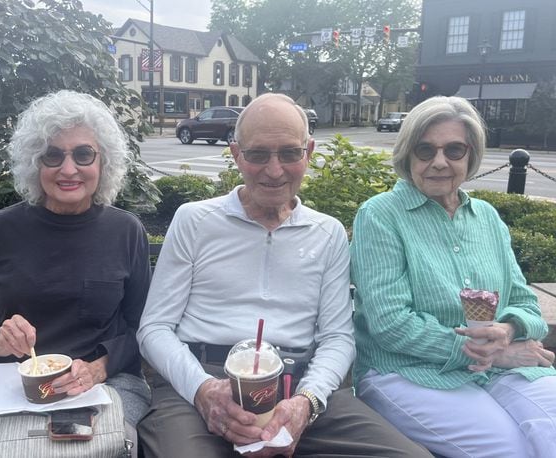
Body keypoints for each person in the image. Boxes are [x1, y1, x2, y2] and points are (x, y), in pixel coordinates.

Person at [137, 93, 430, 458]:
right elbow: (154, 328)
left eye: (289, 154)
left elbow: (338, 337)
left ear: (308, 152)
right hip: (202, 379)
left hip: (297, 383)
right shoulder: (194, 220)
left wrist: (306, 403)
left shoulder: (328, 233)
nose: (274, 170)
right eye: (258, 154)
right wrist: (203, 390)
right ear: (236, 154)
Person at [350, 95, 556, 457]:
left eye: (454, 150)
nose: (439, 162)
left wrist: (509, 330)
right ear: (407, 154)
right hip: (408, 371)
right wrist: (495, 354)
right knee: (507, 447)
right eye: (425, 150)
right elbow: (390, 324)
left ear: (470, 155)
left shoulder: (486, 217)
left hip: (497, 368)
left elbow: (524, 302)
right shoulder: (380, 216)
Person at [0, 90, 152, 434]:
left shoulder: (125, 231)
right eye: (52, 155)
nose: (69, 168)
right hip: (11, 386)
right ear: (35, 162)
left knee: (99, 447)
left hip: (105, 384)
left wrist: (99, 367)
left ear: (102, 162)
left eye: (83, 154)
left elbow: (144, 330)